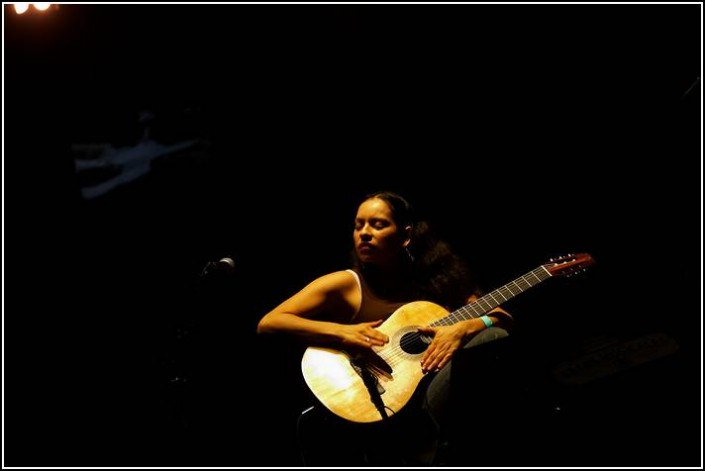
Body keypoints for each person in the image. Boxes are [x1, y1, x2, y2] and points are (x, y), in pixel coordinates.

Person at [256, 190, 513, 466]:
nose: (364, 233)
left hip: (435, 396)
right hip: (379, 401)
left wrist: (464, 328)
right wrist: (343, 333)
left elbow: (500, 317)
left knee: (492, 335)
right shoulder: (346, 284)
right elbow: (270, 322)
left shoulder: (440, 280)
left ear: (406, 236)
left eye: (378, 225)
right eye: (359, 225)